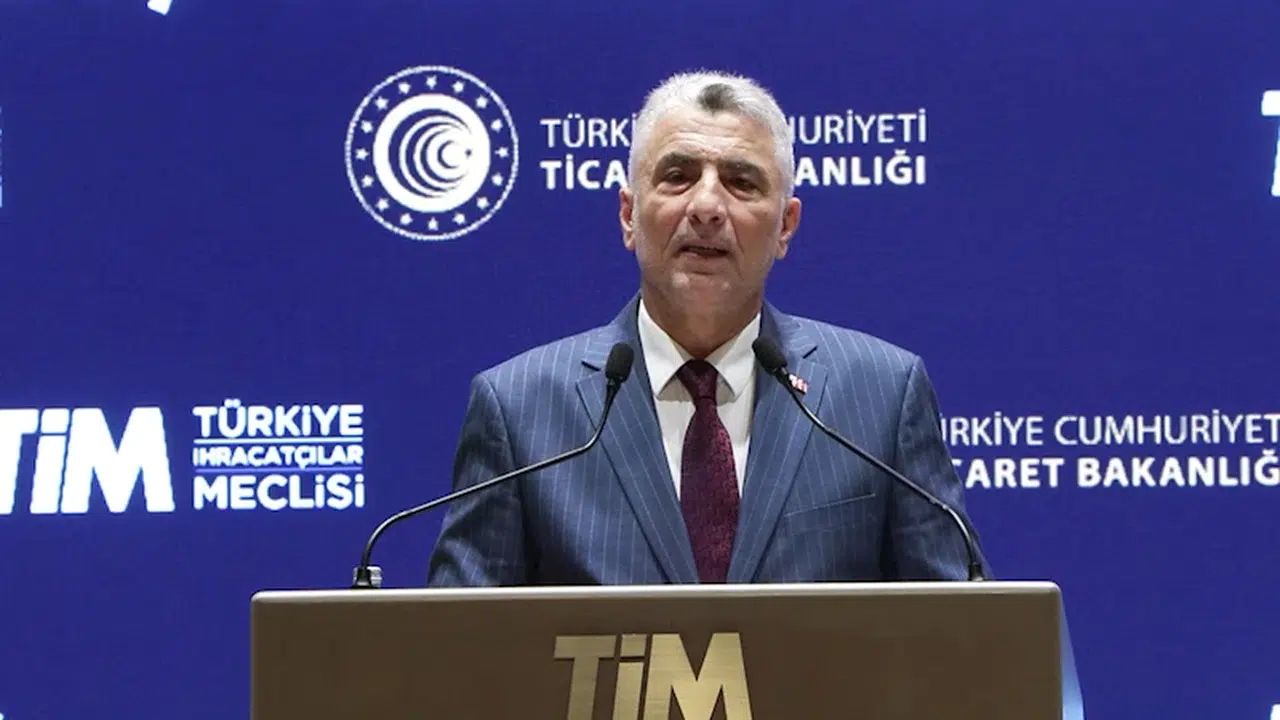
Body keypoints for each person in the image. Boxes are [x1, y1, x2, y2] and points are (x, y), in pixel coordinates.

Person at [426, 70, 988, 586]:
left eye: (742, 182)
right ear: (628, 215)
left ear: (786, 226)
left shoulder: (881, 396)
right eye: (678, 177)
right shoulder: (519, 408)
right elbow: (461, 644)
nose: (707, 206)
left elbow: (958, 633)